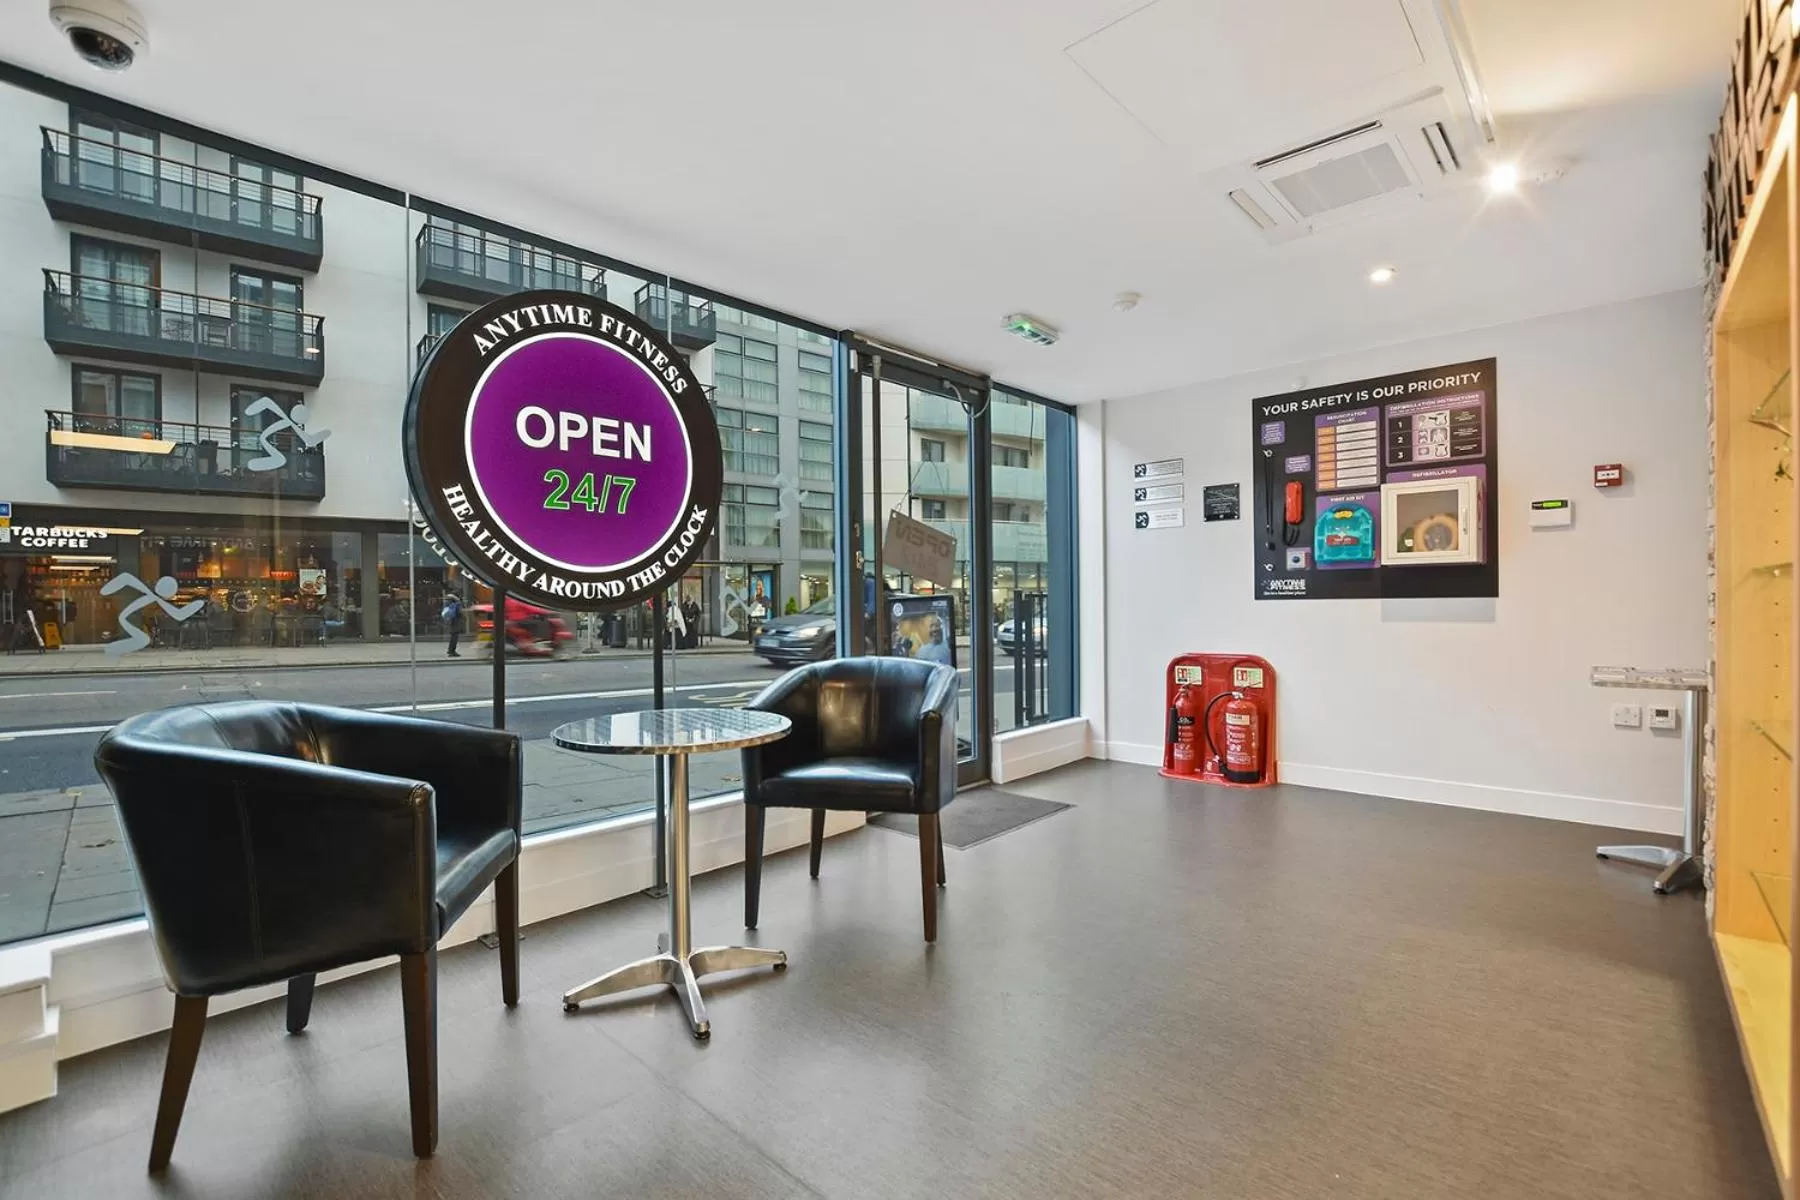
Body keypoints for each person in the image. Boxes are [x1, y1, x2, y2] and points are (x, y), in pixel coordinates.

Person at [441, 591, 463, 657]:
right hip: (455, 621)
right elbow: (459, 613)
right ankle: (452, 651)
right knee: (454, 637)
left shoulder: (448, 602)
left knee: (453, 637)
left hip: (450, 621)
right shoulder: (456, 603)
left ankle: (450, 650)